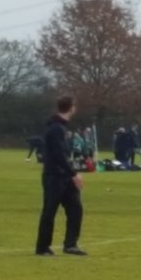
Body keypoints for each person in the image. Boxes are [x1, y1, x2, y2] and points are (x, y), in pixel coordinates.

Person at [36, 95, 86, 256]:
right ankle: (42, 247)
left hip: (63, 176)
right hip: (54, 176)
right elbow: (58, 155)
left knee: (75, 208)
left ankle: (70, 244)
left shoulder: (61, 127)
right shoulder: (56, 128)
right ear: (71, 107)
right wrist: (74, 174)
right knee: (49, 211)